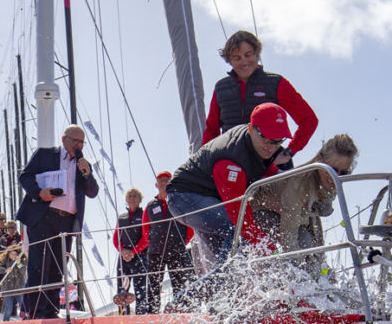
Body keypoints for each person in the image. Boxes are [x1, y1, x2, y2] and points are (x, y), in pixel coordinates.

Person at [166, 102, 292, 266]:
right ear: (251, 129)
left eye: (277, 141)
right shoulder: (231, 162)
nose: (271, 147)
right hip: (184, 198)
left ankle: (228, 288)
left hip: (211, 197)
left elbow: (261, 168)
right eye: (266, 139)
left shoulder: (254, 143)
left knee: (229, 260)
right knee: (238, 229)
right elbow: (239, 215)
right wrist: (268, 247)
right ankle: (225, 283)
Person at [16, 124, 99, 318]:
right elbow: (24, 176)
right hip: (44, 216)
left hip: (67, 222)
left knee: (57, 268)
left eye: (82, 142)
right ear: (64, 139)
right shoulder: (45, 155)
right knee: (39, 266)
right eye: (75, 141)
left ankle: (51, 312)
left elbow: (92, 192)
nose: (78, 146)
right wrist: (39, 192)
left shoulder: (83, 164)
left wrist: (87, 172)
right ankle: (35, 312)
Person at [202, 30, 318, 164]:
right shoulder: (221, 88)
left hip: (267, 162)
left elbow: (309, 120)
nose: (244, 62)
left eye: (248, 55)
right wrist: (206, 159)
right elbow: (211, 129)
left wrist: (290, 152)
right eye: (237, 58)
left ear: (257, 55)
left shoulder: (276, 83)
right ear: (229, 60)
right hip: (231, 161)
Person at [253, 134, 360, 275]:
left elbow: (317, 215)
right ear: (319, 160)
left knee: (316, 254)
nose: (336, 176)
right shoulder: (299, 182)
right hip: (261, 211)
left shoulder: (331, 180)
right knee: (305, 241)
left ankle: (322, 278)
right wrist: (299, 273)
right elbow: (289, 233)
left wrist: (320, 266)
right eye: (332, 170)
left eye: (344, 172)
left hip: (297, 215)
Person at [141, 171, 196, 313]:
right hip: (155, 251)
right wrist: (153, 243)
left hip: (176, 249)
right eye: (161, 181)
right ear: (156, 185)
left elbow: (189, 226)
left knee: (179, 282)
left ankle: (181, 309)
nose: (164, 183)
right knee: (153, 284)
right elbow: (145, 228)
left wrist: (182, 242)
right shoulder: (150, 206)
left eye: (166, 180)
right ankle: (152, 312)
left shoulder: (179, 202)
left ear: (171, 182)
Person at [113, 188, 148, 314]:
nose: (132, 198)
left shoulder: (144, 215)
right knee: (122, 290)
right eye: (130, 196)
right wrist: (122, 251)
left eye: (135, 196)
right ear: (126, 199)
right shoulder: (121, 217)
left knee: (141, 289)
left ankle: (141, 315)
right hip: (123, 259)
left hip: (140, 256)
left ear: (140, 199)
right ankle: (123, 315)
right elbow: (116, 237)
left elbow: (146, 237)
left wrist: (133, 252)